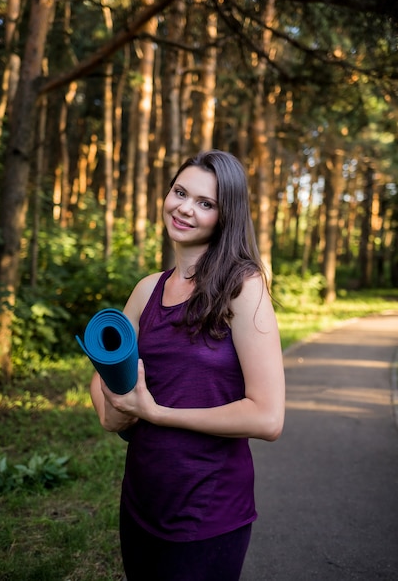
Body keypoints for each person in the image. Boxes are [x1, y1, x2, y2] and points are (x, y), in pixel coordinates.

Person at [90, 149, 285, 581]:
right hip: (142, 502)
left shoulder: (243, 288)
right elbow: (104, 371)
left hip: (208, 513)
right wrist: (113, 410)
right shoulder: (146, 290)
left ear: (225, 215)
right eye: (180, 192)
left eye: (205, 203)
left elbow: (268, 416)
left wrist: (156, 413)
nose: (184, 208)